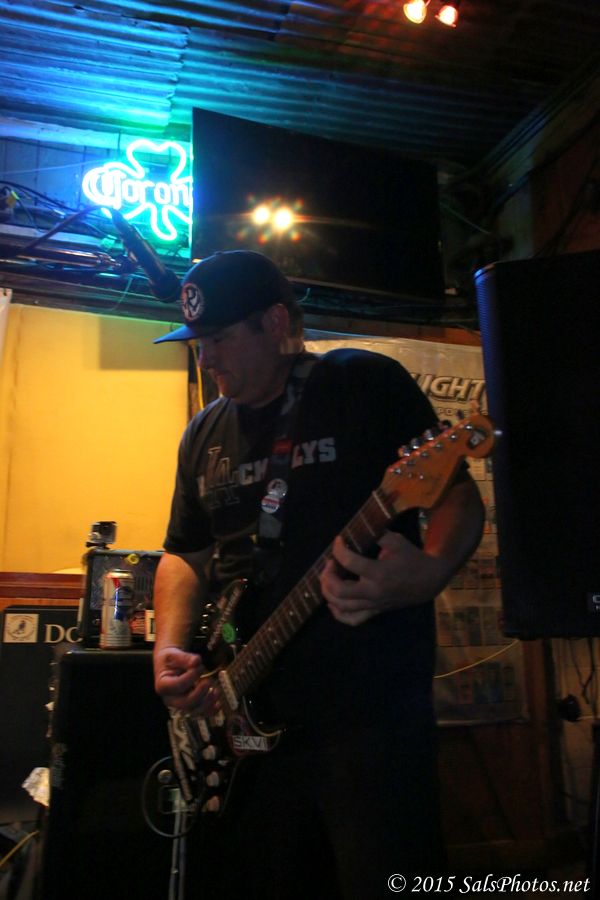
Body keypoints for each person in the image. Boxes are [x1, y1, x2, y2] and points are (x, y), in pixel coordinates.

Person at [152, 250, 484, 900]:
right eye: (197, 341)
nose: (204, 357)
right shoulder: (202, 434)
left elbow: (456, 498)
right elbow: (184, 554)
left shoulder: (364, 383)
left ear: (275, 323)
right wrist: (169, 645)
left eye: (219, 338)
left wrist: (430, 572)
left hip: (369, 721)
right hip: (245, 727)